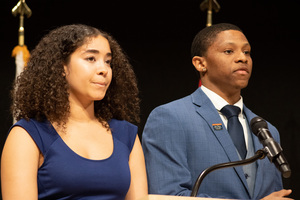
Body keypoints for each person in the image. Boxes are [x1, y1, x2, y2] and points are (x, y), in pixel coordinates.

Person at [142, 23, 293, 199]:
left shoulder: (267, 131)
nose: (242, 58)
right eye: (229, 51)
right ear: (200, 63)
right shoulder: (169, 118)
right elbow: (168, 195)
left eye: (247, 52)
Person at [1, 24, 147, 200]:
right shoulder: (29, 135)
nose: (104, 69)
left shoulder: (126, 134)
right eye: (91, 58)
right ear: (63, 67)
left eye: (108, 61)